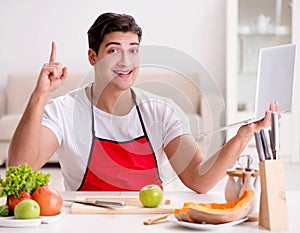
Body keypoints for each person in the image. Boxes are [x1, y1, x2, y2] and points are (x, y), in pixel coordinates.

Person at [7, 12, 279, 192]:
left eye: (133, 51)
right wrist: (40, 95)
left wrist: (245, 134)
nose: (125, 62)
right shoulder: (65, 110)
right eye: (114, 51)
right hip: (86, 222)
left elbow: (200, 179)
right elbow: (21, 168)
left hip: (149, 222)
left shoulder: (162, 112)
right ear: (93, 57)